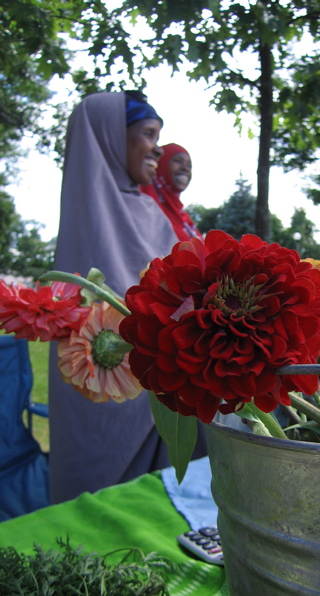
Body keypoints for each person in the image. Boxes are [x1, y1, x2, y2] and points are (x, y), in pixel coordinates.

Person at [48, 91, 206, 504]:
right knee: (97, 496)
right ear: (109, 138)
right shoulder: (89, 208)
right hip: (103, 373)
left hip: (167, 380)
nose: (156, 147)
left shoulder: (152, 211)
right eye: (148, 134)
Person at [140, 142, 203, 241]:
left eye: (189, 166)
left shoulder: (183, 218)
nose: (185, 168)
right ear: (161, 163)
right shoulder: (143, 203)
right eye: (178, 161)